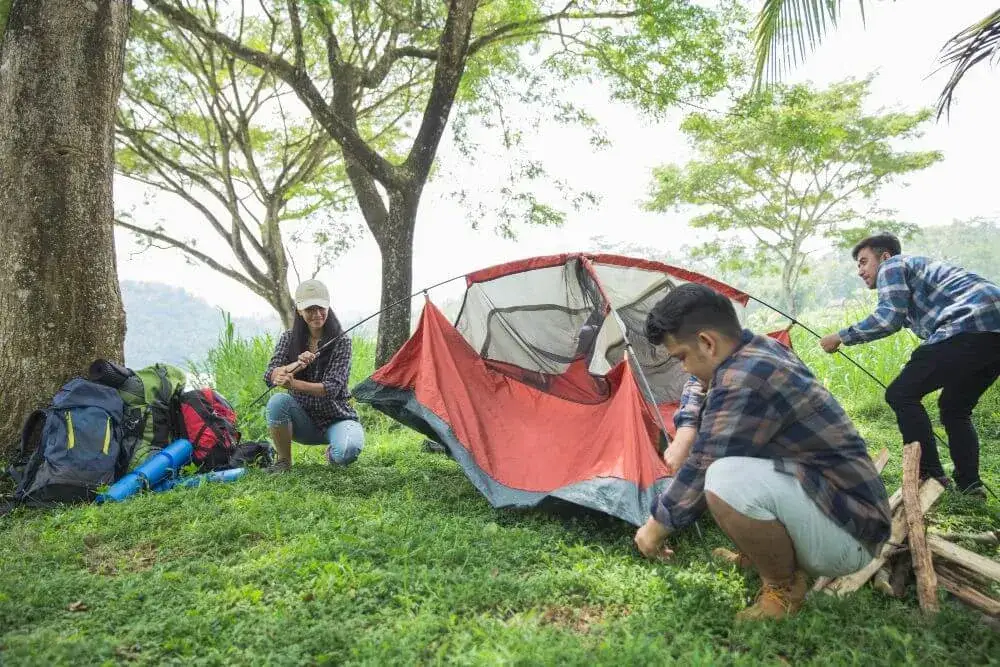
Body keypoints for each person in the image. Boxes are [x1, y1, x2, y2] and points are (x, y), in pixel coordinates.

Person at [632, 283, 891, 621]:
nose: (684, 369)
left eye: (681, 357)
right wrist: (685, 430)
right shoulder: (755, 349)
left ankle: (783, 587)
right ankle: (763, 555)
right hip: (838, 508)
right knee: (732, 466)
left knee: (723, 477)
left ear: (708, 343)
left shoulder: (746, 378)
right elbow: (697, 383)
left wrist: (655, 527)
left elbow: (702, 466)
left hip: (851, 536)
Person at [819, 233, 1000, 498]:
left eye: (863, 262)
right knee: (954, 408)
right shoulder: (915, 276)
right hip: (991, 331)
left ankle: (929, 473)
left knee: (901, 393)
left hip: (968, 322)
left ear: (884, 257)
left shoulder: (893, 266)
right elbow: (900, 317)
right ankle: (970, 485)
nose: (860, 271)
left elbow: (888, 318)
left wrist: (840, 337)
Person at [263, 279, 364, 473]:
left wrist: (292, 383)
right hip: (303, 422)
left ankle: (333, 453)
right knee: (277, 401)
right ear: (299, 311)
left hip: (338, 418)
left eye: (321, 308)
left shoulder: (342, 341)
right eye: (310, 309)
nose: (317, 314)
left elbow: (332, 388)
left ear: (328, 307)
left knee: (348, 451)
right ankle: (284, 462)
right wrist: (295, 365)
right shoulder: (288, 338)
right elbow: (270, 374)